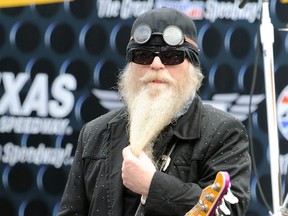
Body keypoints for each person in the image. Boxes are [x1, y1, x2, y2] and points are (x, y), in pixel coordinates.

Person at [57, 7, 251, 216]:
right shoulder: (94, 133)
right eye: (143, 55)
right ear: (130, 65)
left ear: (192, 65)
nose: (156, 64)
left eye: (172, 56)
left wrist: (152, 185)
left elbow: (229, 210)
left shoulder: (224, 132)